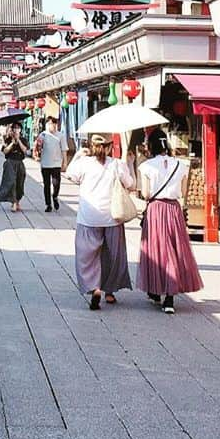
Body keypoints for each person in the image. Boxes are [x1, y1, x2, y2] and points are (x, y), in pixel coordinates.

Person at [62, 132, 134, 310]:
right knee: (113, 256)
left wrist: (78, 154)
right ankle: (109, 292)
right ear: (110, 147)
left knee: (87, 256)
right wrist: (129, 163)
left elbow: (69, 174)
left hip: (88, 217)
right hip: (112, 217)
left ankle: (94, 287)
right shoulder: (117, 165)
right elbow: (131, 184)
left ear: (91, 147)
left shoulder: (84, 164)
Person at [136, 129, 203, 314]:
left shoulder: (147, 166)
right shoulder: (181, 165)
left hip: (156, 209)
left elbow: (147, 193)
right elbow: (182, 192)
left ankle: (156, 290)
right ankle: (170, 297)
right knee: (173, 249)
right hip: (174, 209)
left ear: (151, 145)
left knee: (156, 250)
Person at [0, 123, 30, 212]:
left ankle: (17, 201)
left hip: (20, 163)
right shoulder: (7, 139)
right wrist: (11, 144)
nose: (16, 130)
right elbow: (5, 151)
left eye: (18, 128)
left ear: (20, 130)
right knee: (12, 182)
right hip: (10, 162)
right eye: (14, 128)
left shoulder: (24, 139)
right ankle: (13, 202)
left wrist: (18, 141)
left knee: (20, 183)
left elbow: (25, 151)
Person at [34, 117, 66, 212]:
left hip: (56, 163)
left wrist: (65, 163)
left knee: (56, 183)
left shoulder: (61, 135)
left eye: (55, 124)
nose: (53, 126)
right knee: (46, 184)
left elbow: (64, 150)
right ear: (47, 125)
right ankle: (48, 204)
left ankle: (55, 196)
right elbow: (37, 147)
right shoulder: (42, 135)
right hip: (45, 163)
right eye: (51, 124)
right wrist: (37, 152)